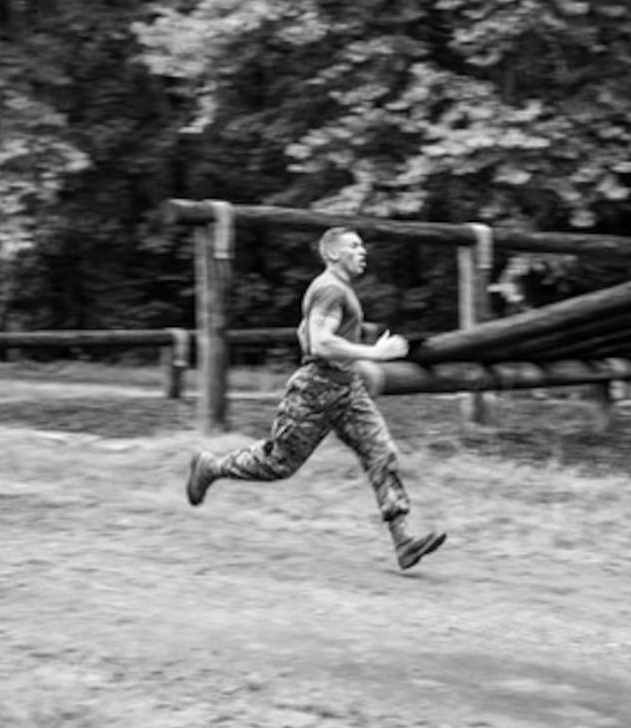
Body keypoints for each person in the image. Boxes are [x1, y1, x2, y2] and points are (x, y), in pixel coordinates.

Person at [185, 226, 447, 571]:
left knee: (381, 452)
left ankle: (403, 541)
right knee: (278, 463)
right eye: (354, 246)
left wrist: (356, 363)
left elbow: (306, 333)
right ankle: (211, 467)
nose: (363, 251)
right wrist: (375, 354)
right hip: (315, 390)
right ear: (333, 254)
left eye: (362, 245)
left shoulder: (337, 291)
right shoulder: (329, 289)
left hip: (346, 390)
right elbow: (320, 343)